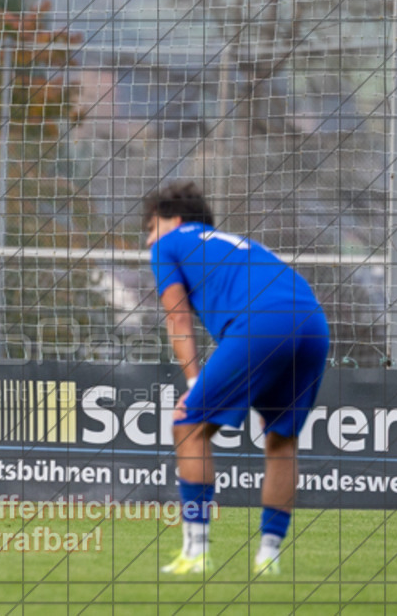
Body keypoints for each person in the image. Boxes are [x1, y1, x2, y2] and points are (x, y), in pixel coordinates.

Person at [144, 180, 329, 577]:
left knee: (188, 424)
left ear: (174, 220)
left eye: (150, 227)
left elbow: (177, 317)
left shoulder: (169, 243)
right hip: (313, 320)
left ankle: (196, 553)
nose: (148, 240)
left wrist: (193, 383)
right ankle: (269, 559)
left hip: (264, 324)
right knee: (281, 440)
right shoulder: (236, 243)